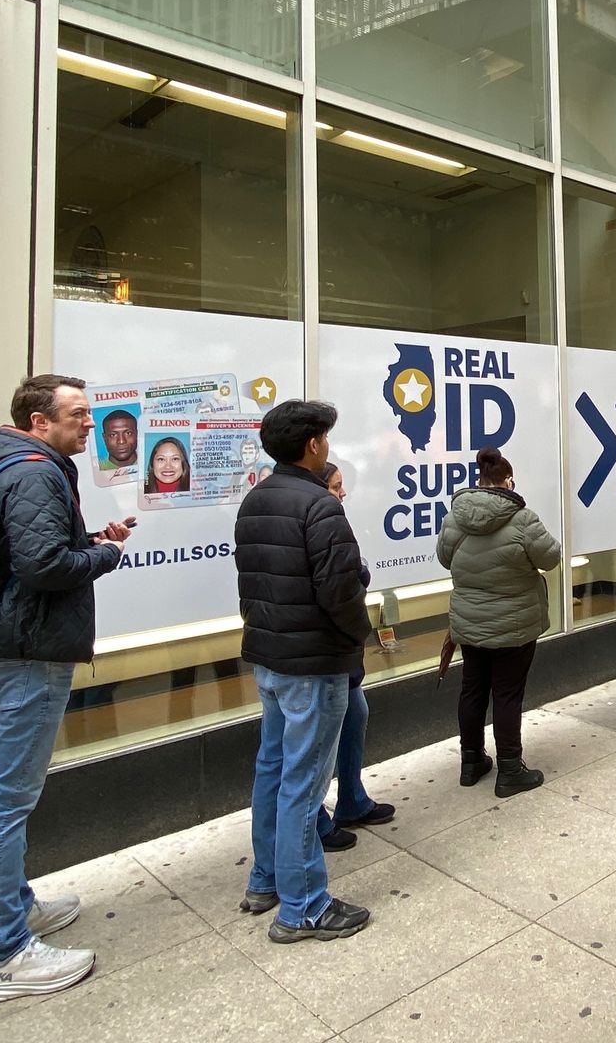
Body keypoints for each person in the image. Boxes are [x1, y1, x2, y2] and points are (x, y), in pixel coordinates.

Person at [0, 374, 133, 1002]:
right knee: (8, 798)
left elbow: (27, 553)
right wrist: (104, 557)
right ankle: (5, 951)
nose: (90, 424)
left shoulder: (10, 466)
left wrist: (87, 542)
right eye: (78, 415)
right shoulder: (33, 472)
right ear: (39, 422)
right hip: (30, 650)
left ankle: (14, 907)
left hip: (17, 645)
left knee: (11, 794)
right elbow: (42, 568)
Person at [233, 400, 374, 942]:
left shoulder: (256, 500)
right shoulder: (320, 506)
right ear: (313, 444)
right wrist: (357, 635)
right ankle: (305, 906)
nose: (329, 447)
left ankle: (266, 879)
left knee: (273, 769)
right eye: (326, 439)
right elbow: (339, 590)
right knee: (303, 784)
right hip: (313, 664)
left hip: (270, 658)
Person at [439, 447, 563, 796]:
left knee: (473, 688)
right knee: (507, 694)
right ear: (508, 481)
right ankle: (510, 769)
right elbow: (551, 557)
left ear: (480, 482)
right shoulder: (523, 519)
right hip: (513, 624)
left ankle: (471, 761)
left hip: (470, 621)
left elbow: (444, 559)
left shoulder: (455, 517)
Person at [314, 460, 394, 851]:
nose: (343, 493)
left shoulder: (330, 520)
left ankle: (352, 799)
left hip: (343, 654)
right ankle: (316, 818)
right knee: (317, 743)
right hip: (325, 651)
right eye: (336, 486)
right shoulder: (318, 521)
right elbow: (341, 584)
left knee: (355, 714)